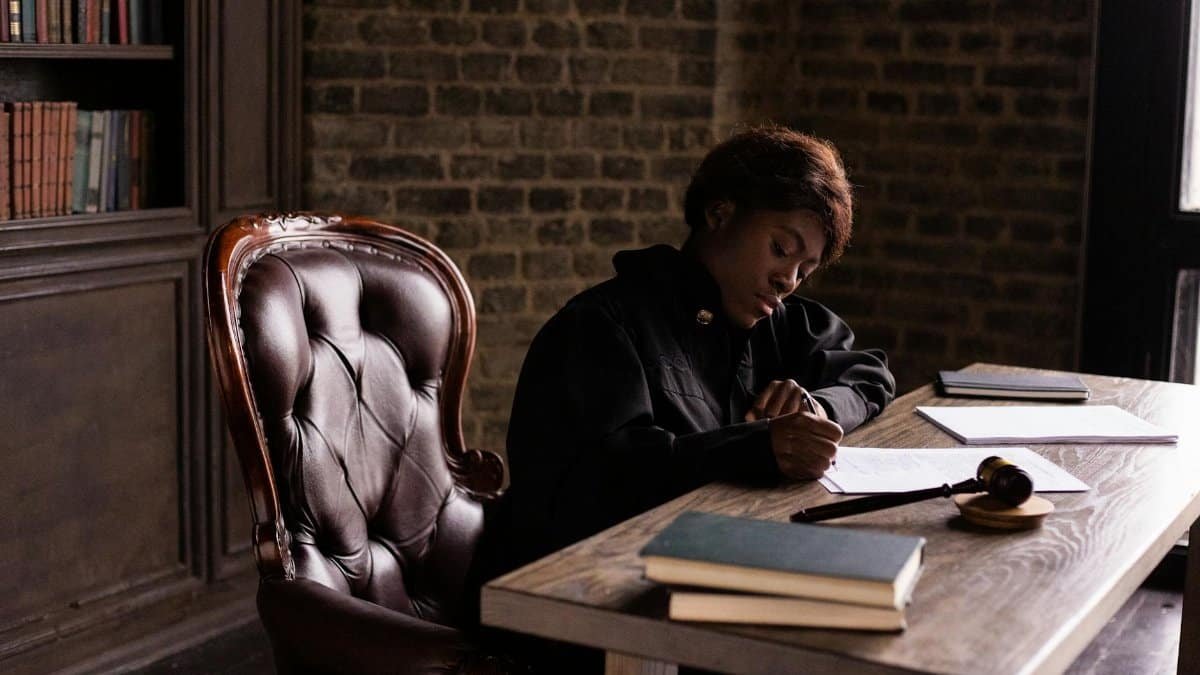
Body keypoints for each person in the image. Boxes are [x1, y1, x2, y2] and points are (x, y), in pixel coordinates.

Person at [484, 123, 896, 587]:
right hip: (577, 598)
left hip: (702, 574)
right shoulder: (601, 325)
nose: (788, 280)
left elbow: (869, 374)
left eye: (805, 269)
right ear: (719, 213)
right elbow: (600, 482)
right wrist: (758, 447)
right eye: (781, 249)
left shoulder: (779, 322)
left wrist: (817, 408)